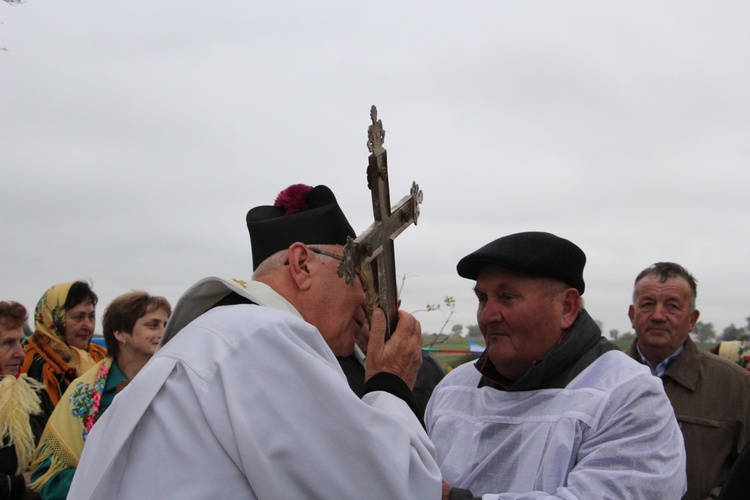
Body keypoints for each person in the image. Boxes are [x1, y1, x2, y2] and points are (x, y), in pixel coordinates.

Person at [68, 184, 441, 499]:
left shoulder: (217, 337)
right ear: (302, 265)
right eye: (355, 274)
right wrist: (390, 383)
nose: (364, 297)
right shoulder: (263, 340)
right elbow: (386, 489)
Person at [425, 232, 686, 499]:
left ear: (567, 307)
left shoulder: (628, 395)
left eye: (506, 297)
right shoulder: (453, 388)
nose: (489, 315)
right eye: (483, 298)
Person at [29, 291, 171, 500]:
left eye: (166, 325)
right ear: (120, 333)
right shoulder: (86, 392)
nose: (163, 332)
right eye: (153, 325)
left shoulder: (173, 384)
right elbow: (49, 475)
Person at [627, 262, 750, 500]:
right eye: (647, 304)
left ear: (692, 319)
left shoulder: (736, 386)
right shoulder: (601, 379)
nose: (658, 316)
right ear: (632, 315)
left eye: (672, 306)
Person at [337, 266, 445, 418]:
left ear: (396, 307)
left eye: (378, 301)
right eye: (365, 297)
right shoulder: (331, 365)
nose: (371, 310)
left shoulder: (422, 366)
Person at [22, 282, 107, 410]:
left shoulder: (102, 358)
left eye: (91, 317)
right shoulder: (29, 365)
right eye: (78, 317)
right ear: (53, 320)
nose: (88, 326)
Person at [0, 301, 52, 500]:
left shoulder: (34, 393)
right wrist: (16, 485)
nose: (21, 354)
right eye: (8, 343)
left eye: (21, 342)